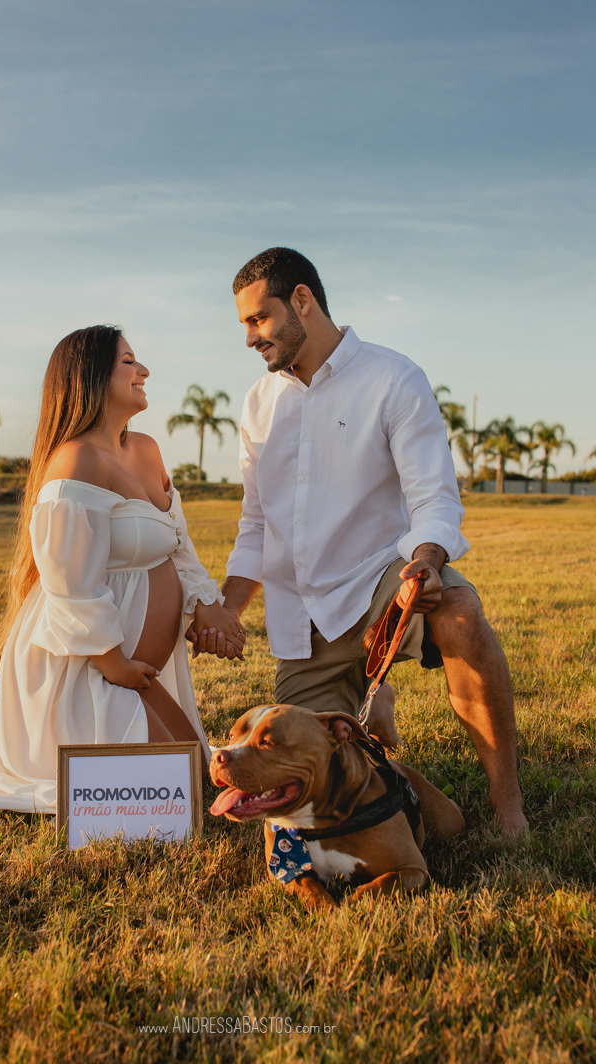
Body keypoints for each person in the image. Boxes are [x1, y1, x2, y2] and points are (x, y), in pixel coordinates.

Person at [193, 247, 526, 835]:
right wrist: (228, 609)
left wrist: (425, 564)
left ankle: (508, 808)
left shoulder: (393, 378)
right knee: (318, 771)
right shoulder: (257, 404)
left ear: (303, 300)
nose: (249, 338)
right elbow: (256, 523)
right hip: (302, 619)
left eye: (258, 319)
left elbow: (434, 497)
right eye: (243, 324)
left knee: (460, 611)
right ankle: (377, 718)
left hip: (381, 583)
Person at [0, 325, 245, 817]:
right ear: (90, 376)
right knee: (176, 792)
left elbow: (178, 543)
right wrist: (112, 660)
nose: (143, 370)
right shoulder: (76, 460)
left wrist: (206, 607)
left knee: (195, 773)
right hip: (87, 668)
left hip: (138, 674)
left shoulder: (146, 449)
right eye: (128, 362)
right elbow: (69, 584)